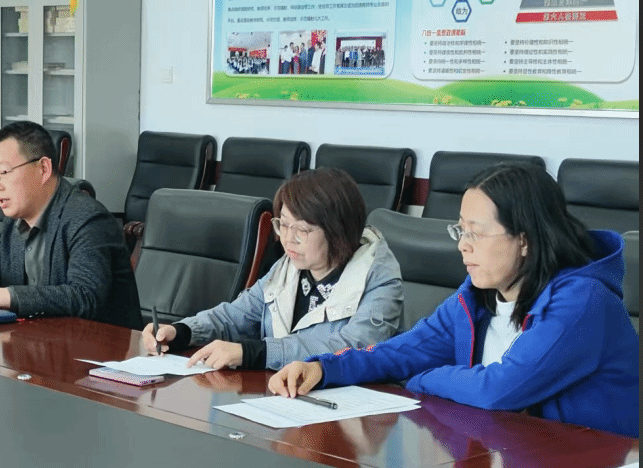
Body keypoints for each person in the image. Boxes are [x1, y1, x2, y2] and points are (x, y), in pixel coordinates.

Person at [269, 163, 639, 438]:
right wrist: (323, 369)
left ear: (524, 240)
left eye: (475, 233)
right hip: (506, 447)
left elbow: (500, 388)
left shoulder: (583, 302)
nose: (462, 245)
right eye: (460, 230)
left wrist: (424, 378)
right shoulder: (477, 297)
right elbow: (401, 352)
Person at [141, 168, 403, 370]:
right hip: (281, 395)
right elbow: (235, 316)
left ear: (338, 231)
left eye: (302, 230)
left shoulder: (379, 277)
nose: (288, 239)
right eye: (284, 225)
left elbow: (353, 348)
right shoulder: (290, 265)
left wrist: (254, 352)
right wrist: (181, 332)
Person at [0, 121, 142, 329]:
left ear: (43, 169)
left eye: (3, 173)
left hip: (97, 354)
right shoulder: (15, 222)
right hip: (39, 345)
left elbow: (85, 297)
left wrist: (5, 297)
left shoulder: (88, 219)